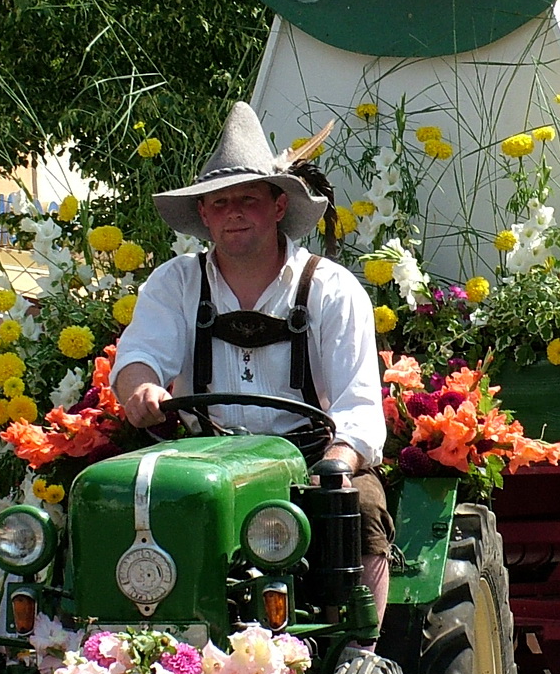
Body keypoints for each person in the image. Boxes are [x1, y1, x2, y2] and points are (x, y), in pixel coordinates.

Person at [113, 102, 393, 622]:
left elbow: (359, 407)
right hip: (199, 459)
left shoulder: (332, 288)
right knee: (114, 498)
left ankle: (359, 650)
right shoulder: (175, 282)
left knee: (362, 508)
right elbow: (138, 356)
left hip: (308, 461)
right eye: (219, 203)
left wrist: (337, 463)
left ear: (279, 206)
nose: (233, 212)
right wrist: (142, 389)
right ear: (203, 214)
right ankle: (129, 637)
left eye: (247, 199)